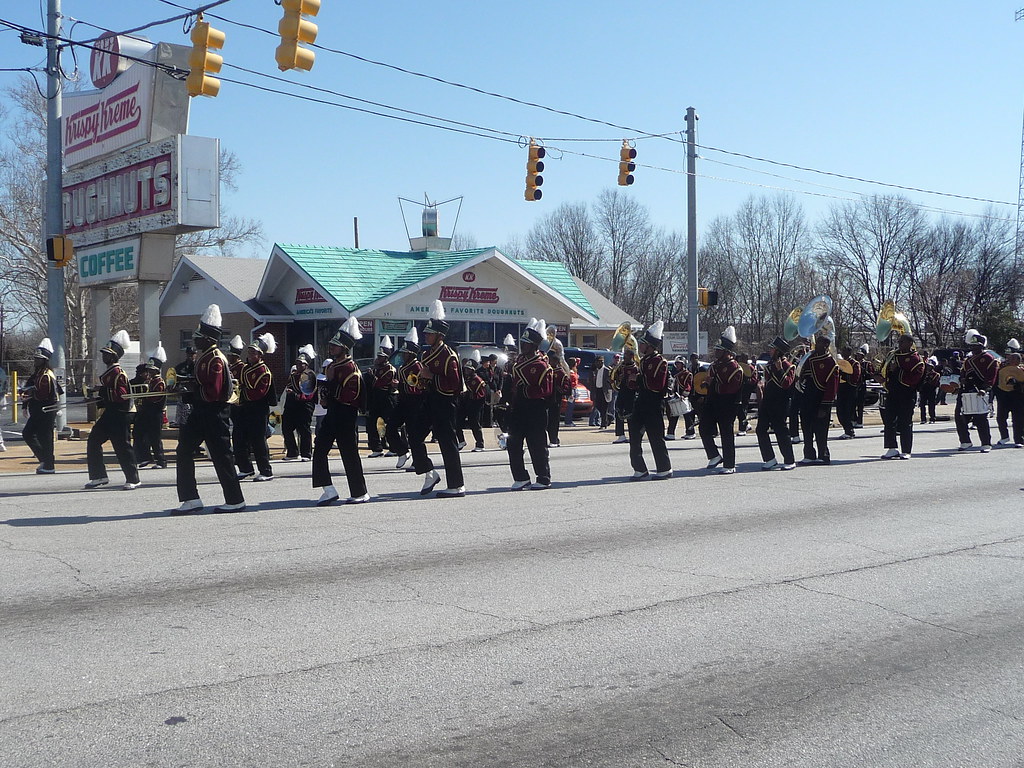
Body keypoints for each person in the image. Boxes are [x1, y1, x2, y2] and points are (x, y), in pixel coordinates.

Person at [173, 305, 246, 514]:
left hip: (214, 413)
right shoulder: (204, 357)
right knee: (184, 450)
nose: (194, 341)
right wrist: (185, 387)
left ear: (208, 338)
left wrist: (192, 389)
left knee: (222, 457)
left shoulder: (215, 359)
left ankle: (235, 500)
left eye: (198, 337)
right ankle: (190, 498)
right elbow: (201, 384)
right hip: (200, 412)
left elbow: (213, 392)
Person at [311, 318, 370, 505]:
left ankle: (360, 492)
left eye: (335, 346)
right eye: (331, 345)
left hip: (345, 416)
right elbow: (331, 394)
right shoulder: (332, 367)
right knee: (319, 450)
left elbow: (349, 397)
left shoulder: (351, 369)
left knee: (349, 454)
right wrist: (324, 397)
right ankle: (328, 489)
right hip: (333, 415)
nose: (331, 348)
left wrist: (330, 384)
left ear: (344, 348)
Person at [415, 300, 466, 497]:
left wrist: (431, 377)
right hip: (429, 401)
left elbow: (454, 385)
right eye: (426, 333)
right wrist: (421, 382)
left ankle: (456, 485)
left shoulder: (449, 356)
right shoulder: (427, 353)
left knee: (447, 443)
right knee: (415, 435)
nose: (426, 336)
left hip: (445, 403)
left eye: (429, 333)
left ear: (439, 336)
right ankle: (429, 472)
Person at [85, 330, 141, 491]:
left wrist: (101, 392)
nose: (104, 356)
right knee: (94, 441)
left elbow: (121, 396)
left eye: (107, 354)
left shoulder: (118, 373)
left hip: (120, 415)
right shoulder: (109, 373)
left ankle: (133, 478)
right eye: (104, 353)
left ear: (114, 357)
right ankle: (98, 476)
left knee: (122, 446)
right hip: (110, 414)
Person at [506, 318, 554, 490]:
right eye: (522, 342)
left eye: (526, 343)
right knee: (513, 444)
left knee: (537, 445)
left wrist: (524, 389)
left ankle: (543, 477)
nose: (523, 345)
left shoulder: (541, 365)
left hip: (535, 409)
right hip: (519, 408)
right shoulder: (519, 361)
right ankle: (521, 477)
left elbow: (546, 390)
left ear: (534, 345)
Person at [628, 320, 671, 480]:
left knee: (656, 438)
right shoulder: (644, 361)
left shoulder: (661, 362)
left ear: (650, 346)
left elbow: (657, 386)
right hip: (641, 404)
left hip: (653, 405)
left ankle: (664, 469)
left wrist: (638, 379)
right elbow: (641, 383)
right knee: (634, 436)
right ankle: (640, 469)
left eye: (643, 343)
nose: (640, 346)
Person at [700, 326, 743, 474]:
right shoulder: (715, 365)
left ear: (726, 352)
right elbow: (710, 382)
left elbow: (731, 388)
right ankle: (714, 455)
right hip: (712, 403)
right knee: (704, 429)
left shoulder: (734, 367)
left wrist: (714, 383)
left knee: (726, 433)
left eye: (719, 350)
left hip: (727, 404)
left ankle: (729, 465)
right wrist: (705, 383)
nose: (716, 352)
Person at [235, 333, 277, 482]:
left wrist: (241, 393)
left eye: (254, 353)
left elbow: (259, 393)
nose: (251, 355)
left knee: (258, 440)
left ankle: (266, 471)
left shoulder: (264, 371)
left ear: (260, 355)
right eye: (250, 352)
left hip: (258, 409)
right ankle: (245, 468)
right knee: (239, 438)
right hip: (245, 408)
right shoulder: (246, 368)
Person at [880, 333, 924, 459]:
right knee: (889, 421)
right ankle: (891, 448)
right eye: (899, 342)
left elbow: (915, 378)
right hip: (892, 392)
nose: (899, 344)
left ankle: (906, 450)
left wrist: (898, 370)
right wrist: (882, 376)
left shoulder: (916, 358)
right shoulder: (893, 355)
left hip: (907, 394)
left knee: (905, 422)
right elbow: (886, 370)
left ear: (910, 343)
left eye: (902, 342)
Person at [756, 336, 797, 470]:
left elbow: (786, 384)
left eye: (772, 349)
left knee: (781, 430)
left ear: (779, 351)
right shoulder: (769, 365)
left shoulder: (789, 366)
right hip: (768, 401)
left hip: (780, 402)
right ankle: (770, 459)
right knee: (760, 429)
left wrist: (780, 370)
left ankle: (789, 460)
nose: (770, 350)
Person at [798, 333, 839, 465]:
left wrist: (825, 405)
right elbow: (804, 377)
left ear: (826, 345)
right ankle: (809, 454)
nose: (817, 345)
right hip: (807, 397)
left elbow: (832, 387)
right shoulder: (809, 358)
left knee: (821, 429)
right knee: (806, 427)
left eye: (820, 343)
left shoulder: (830, 362)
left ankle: (823, 454)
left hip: (821, 399)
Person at [956, 329, 999, 452]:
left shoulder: (989, 358)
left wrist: (985, 389)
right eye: (972, 346)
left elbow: (991, 376)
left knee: (980, 418)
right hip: (966, 391)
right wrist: (962, 380)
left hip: (980, 390)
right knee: (960, 417)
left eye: (976, 346)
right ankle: (965, 441)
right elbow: (963, 374)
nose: (973, 348)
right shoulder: (968, 361)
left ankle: (986, 443)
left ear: (981, 346)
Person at [390, 327, 427, 469]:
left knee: (414, 434)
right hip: (404, 401)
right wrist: (396, 386)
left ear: (411, 354)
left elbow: (419, 387)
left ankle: (419, 461)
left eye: (405, 353)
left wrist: (402, 384)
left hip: (416, 403)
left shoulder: (417, 366)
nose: (403, 356)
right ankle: (402, 452)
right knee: (391, 427)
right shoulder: (402, 367)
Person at [21, 338, 58, 474]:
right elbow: (30, 388)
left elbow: (43, 394)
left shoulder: (47, 374)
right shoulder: (37, 374)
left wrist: (30, 394)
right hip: (38, 410)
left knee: (45, 437)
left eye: (39, 358)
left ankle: (49, 465)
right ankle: (46, 460)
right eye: (35, 358)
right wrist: (25, 402)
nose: (36, 360)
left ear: (45, 360)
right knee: (28, 434)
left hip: (46, 410)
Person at [135, 343, 168, 470]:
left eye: (150, 370)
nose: (148, 372)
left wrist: (144, 396)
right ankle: (146, 457)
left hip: (155, 412)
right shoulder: (150, 381)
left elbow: (156, 398)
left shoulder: (159, 382)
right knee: (141, 434)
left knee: (155, 437)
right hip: (148, 412)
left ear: (156, 370)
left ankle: (161, 460)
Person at [282, 344, 317, 461]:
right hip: (292, 404)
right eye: (297, 363)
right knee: (286, 427)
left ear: (306, 365)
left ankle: (306, 453)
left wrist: (296, 394)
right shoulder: (293, 375)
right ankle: (292, 452)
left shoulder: (310, 375)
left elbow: (309, 393)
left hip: (304, 405)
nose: (298, 365)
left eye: (300, 363)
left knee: (304, 429)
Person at [366, 336, 398, 458]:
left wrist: (372, 376)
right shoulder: (377, 369)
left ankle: (394, 447)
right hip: (377, 398)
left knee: (388, 424)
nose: (377, 359)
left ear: (385, 358)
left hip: (386, 399)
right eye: (378, 356)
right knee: (372, 423)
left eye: (380, 357)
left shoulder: (390, 369)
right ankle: (376, 448)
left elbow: (379, 383)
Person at [995, 341, 1023, 447]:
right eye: (1007, 356)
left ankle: (1019, 439)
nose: (1008, 358)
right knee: (1001, 417)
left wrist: (1017, 382)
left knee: (1018, 418)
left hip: (1017, 395)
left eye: (1011, 356)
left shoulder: (1021, 367)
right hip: (1003, 395)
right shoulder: (1001, 365)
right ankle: (1004, 436)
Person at [458, 354, 487, 451]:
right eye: (466, 369)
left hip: (475, 405)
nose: (466, 370)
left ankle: (480, 444)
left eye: (468, 369)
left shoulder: (477, 380)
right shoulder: (466, 379)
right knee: (457, 422)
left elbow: (481, 395)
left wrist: (469, 394)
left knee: (474, 423)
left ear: (473, 370)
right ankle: (461, 441)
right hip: (465, 403)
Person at [610, 348, 638, 444]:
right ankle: (621, 435)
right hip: (621, 392)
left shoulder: (635, 368)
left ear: (631, 356)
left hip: (631, 394)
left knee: (630, 415)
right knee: (618, 412)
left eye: (626, 355)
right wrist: (617, 378)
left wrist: (632, 380)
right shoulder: (621, 366)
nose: (624, 357)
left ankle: (632, 435)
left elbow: (638, 383)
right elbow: (614, 376)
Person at [665, 356, 693, 440]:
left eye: (679, 364)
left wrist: (684, 395)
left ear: (683, 364)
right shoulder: (676, 374)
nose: (677, 365)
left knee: (687, 416)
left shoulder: (687, 374)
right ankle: (670, 434)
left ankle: (690, 432)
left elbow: (688, 386)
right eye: (676, 364)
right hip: (676, 397)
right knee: (674, 415)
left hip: (684, 397)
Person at [835, 345, 860, 439]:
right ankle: (846, 429)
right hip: (841, 388)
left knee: (847, 411)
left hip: (850, 390)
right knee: (840, 411)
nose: (843, 352)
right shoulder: (839, 363)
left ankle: (849, 431)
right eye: (842, 351)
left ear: (850, 353)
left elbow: (855, 378)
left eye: (845, 351)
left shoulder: (854, 363)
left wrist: (844, 374)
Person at [170, 346, 197, 429]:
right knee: (182, 416)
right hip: (183, 394)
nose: (190, 356)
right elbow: (173, 378)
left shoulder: (198, 366)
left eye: (192, 354)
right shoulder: (180, 366)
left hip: (195, 394)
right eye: (189, 354)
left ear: (196, 355)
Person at [918, 355, 941, 425]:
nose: (928, 367)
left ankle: (932, 418)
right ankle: (923, 419)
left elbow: (934, 383)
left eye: (930, 366)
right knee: (922, 405)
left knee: (931, 405)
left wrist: (928, 380)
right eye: (927, 366)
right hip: (923, 391)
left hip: (931, 391)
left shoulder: (936, 374)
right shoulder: (923, 374)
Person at [590, 355, 610, 428]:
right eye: (596, 362)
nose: (596, 364)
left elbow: (610, 381)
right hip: (597, 390)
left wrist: (609, 390)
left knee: (604, 407)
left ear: (602, 362)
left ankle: (603, 424)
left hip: (604, 390)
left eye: (598, 362)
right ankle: (609, 417)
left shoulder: (607, 370)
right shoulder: (595, 370)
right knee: (598, 406)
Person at [853, 344, 870, 427]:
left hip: (862, 385)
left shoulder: (866, 364)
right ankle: (854, 419)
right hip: (854, 386)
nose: (858, 356)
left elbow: (870, 375)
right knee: (852, 403)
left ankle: (860, 421)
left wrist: (864, 372)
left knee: (860, 405)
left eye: (860, 355)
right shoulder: (854, 363)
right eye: (858, 354)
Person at [563, 357, 580, 427]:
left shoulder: (573, 371)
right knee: (570, 407)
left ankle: (569, 420)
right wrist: (570, 393)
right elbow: (570, 383)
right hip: (571, 390)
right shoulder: (570, 372)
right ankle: (568, 421)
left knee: (571, 407)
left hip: (574, 389)